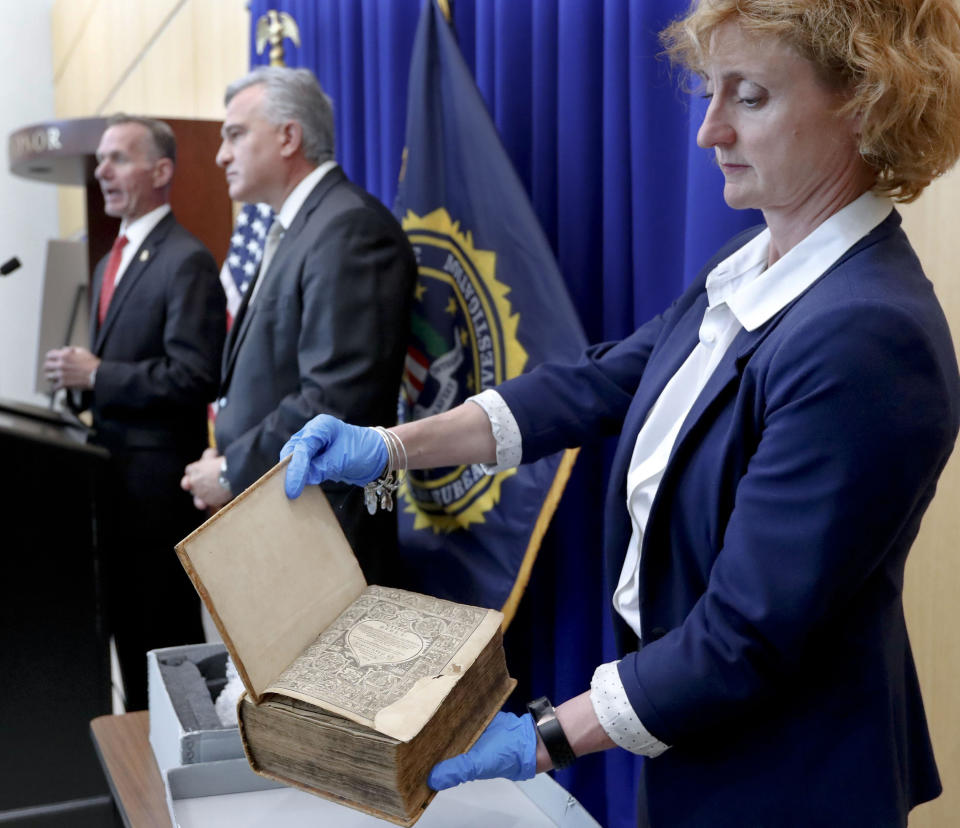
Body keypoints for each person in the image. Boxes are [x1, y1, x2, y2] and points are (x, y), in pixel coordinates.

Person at [278, 1, 960, 825]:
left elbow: (744, 633)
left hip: (786, 777)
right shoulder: (757, 265)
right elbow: (597, 383)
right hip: (699, 742)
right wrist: (392, 446)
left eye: (749, 97)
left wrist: (546, 737)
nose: (710, 131)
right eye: (711, 92)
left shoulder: (866, 334)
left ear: (867, 103)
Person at [180, 67, 416, 581]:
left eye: (236, 134)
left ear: (289, 136)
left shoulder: (349, 228)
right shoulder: (300, 227)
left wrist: (231, 469)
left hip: (323, 537)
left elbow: (334, 399)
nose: (222, 154)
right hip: (282, 521)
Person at [44, 115, 226, 711]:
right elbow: (115, 372)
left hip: (157, 499)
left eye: (118, 157)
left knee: (164, 655)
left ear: (162, 171)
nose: (102, 170)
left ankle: (176, 783)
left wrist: (97, 373)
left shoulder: (186, 261)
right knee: (127, 657)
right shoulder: (108, 262)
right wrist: (78, 386)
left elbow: (194, 375)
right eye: (101, 159)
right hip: (111, 492)